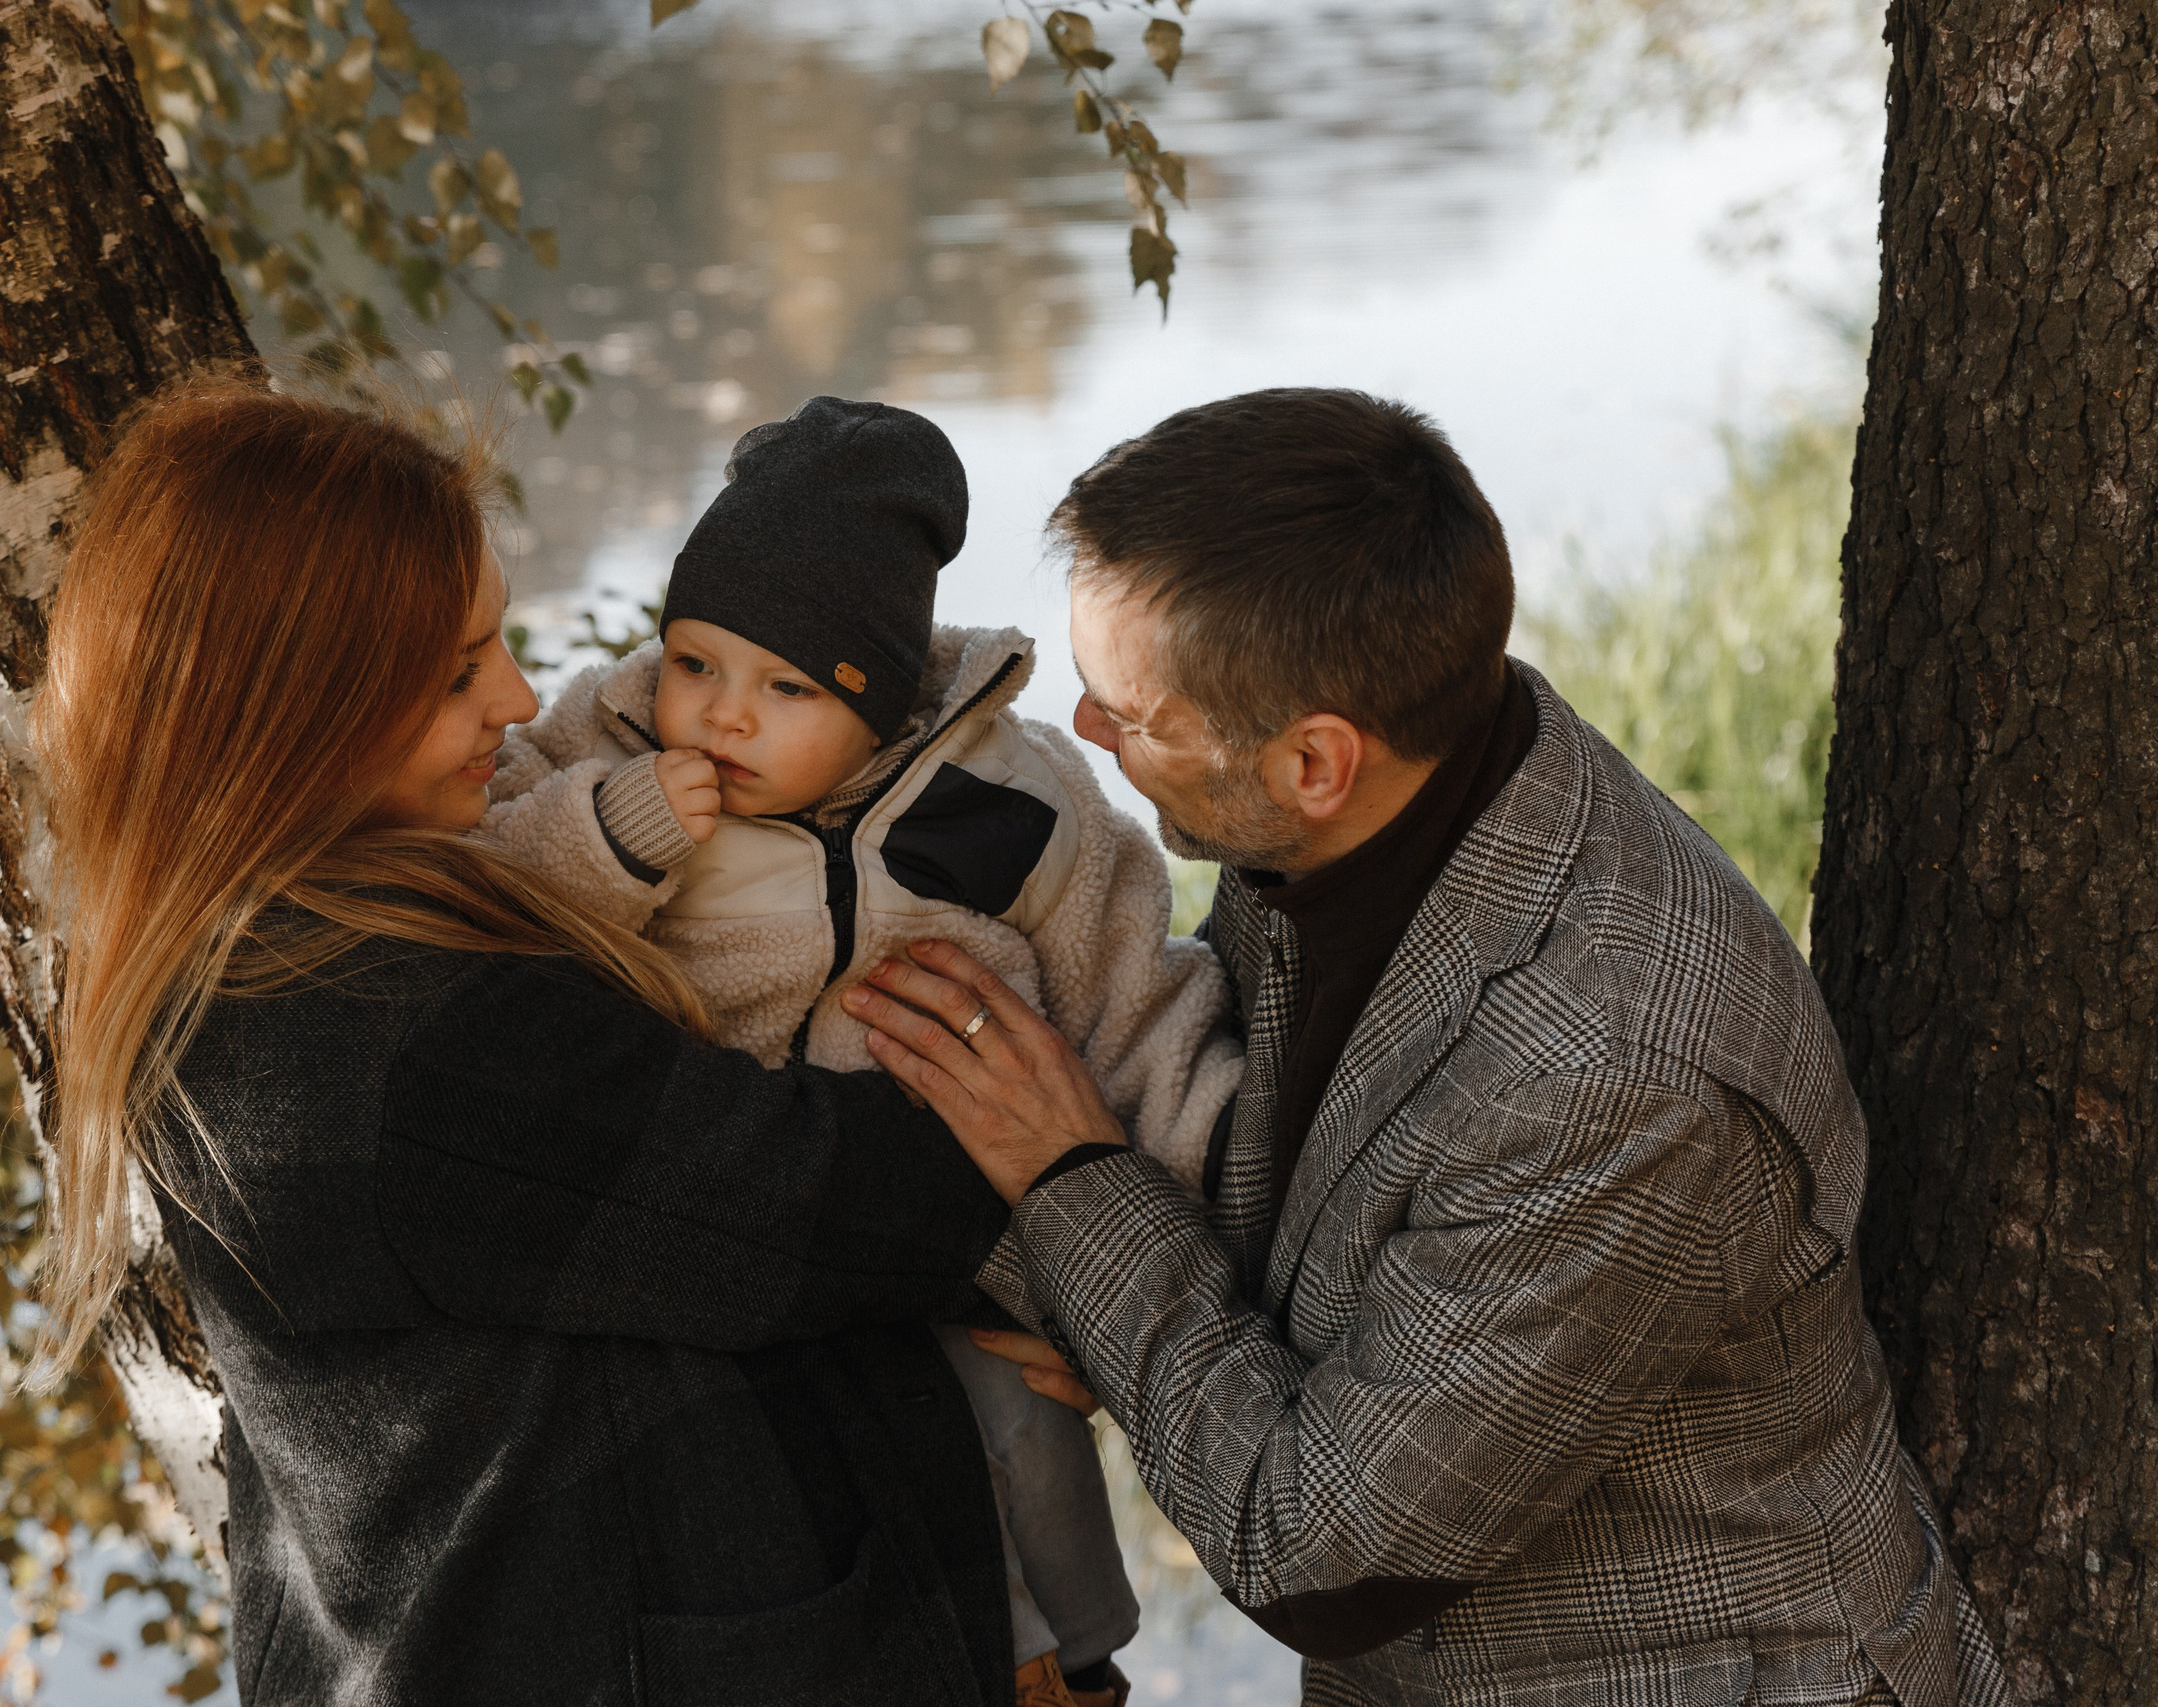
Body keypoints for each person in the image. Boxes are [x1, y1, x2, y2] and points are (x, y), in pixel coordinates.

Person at [843, 389, 2010, 1705]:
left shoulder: (1613, 1074)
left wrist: (1074, 1186)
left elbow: (1320, 1556)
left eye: (1131, 713)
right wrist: (1127, 1333)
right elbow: (1300, 1195)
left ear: (1315, 762)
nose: (1087, 731)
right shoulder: (1385, 795)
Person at [30, 380, 1030, 1705]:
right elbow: (829, 1210)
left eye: (497, 642)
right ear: (292, 709)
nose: (515, 695)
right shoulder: (398, 1041)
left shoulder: (253, 937)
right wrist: (1066, 1163)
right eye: (458, 671)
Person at [482, 394, 1243, 1707]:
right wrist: (608, 836)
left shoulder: (1013, 797)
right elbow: (484, 894)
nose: (721, 717)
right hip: (733, 1240)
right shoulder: (603, 746)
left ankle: (1069, 1670)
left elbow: (1138, 1014)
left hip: (970, 1241)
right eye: (695, 662)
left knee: (1021, 1447)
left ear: (882, 704)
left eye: (789, 689)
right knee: (803, 1512)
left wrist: (1138, 1284)